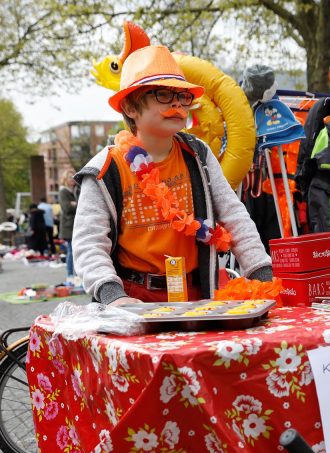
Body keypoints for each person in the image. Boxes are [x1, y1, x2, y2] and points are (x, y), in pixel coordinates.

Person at [73, 44, 272, 305]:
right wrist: (113, 297)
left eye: (183, 95)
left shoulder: (198, 154)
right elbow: (89, 243)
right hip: (132, 300)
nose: (178, 104)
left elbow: (234, 216)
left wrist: (263, 275)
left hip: (196, 295)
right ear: (131, 108)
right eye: (164, 95)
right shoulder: (105, 168)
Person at [58, 171, 78, 282]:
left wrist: (75, 203)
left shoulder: (76, 190)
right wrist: (76, 204)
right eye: (70, 177)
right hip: (68, 225)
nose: (72, 179)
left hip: (76, 224)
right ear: (65, 178)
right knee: (71, 250)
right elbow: (67, 208)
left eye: (73, 177)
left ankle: (77, 275)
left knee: (77, 251)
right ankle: (70, 275)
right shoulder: (63, 192)